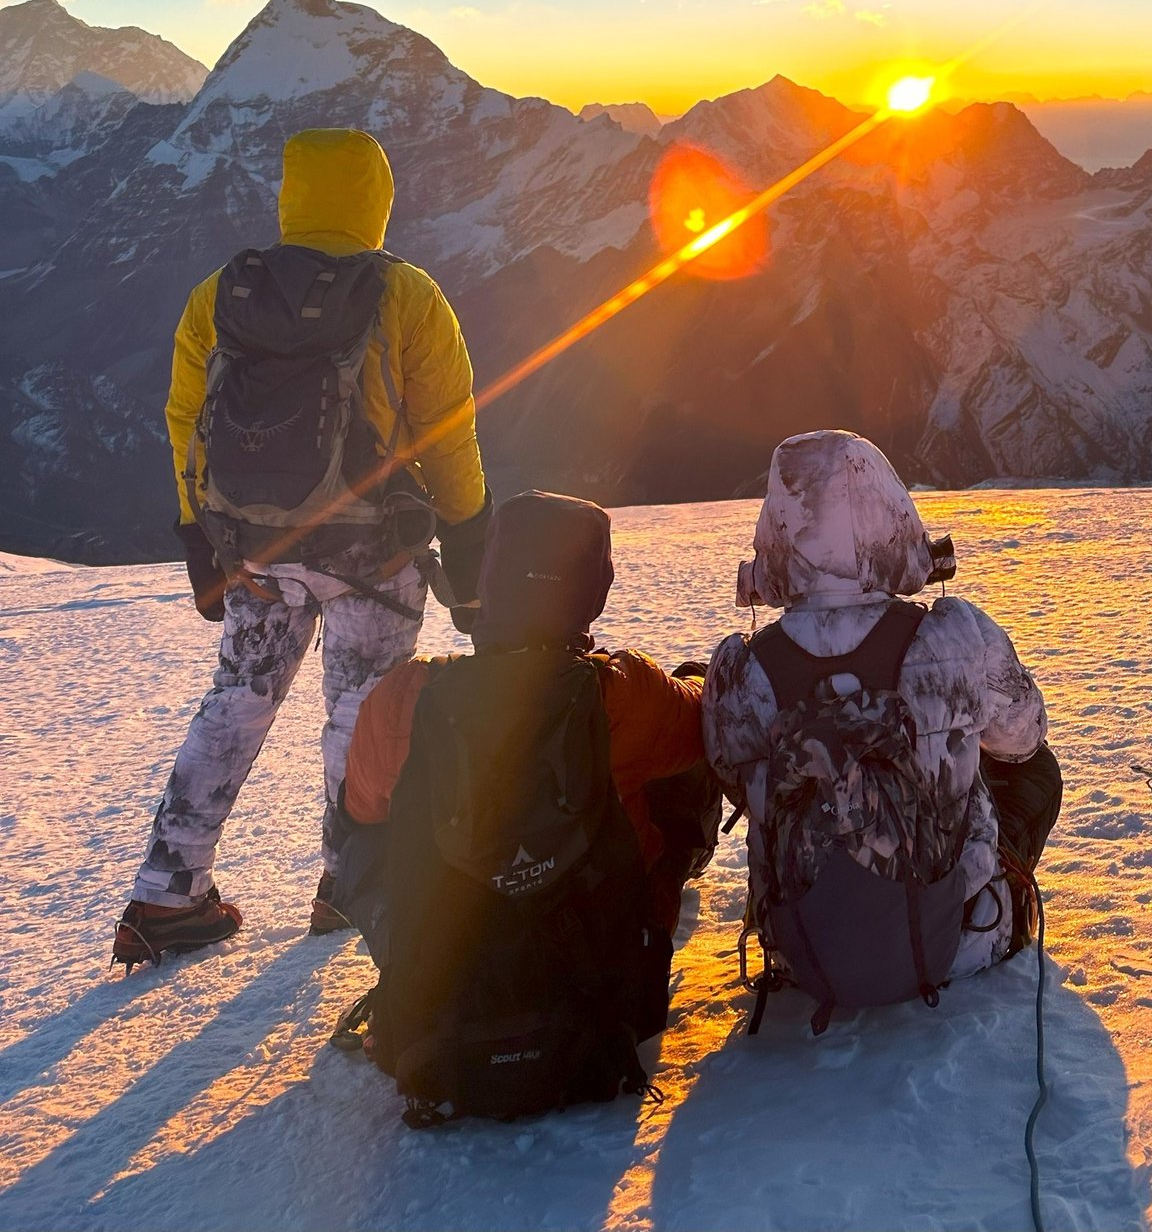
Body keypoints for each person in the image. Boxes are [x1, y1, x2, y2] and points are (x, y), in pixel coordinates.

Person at [113, 128, 491, 971]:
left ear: (290, 196)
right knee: (362, 710)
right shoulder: (406, 294)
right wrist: (469, 543)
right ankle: (347, 882)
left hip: (253, 546)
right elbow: (449, 438)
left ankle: (166, 893)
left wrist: (198, 540)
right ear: (376, 199)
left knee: (236, 698)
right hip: (371, 555)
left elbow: (186, 421)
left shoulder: (221, 292)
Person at [332, 490, 717, 1117]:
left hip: (444, 996)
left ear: (488, 576)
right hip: (601, 993)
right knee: (684, 763)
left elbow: (361, 817)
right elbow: (705, 724)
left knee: (362, 831)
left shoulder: (408, 694)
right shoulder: (623, 692)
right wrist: (695, 675)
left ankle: (420, 969)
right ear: (594, 589)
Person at [703, 429, 1061, 1020]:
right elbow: (1024, 737)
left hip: (802, 955)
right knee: (1034, 770)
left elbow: (735, 777)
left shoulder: (743, 670)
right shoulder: (954, 635)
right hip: (960, 943)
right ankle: (985, 900)